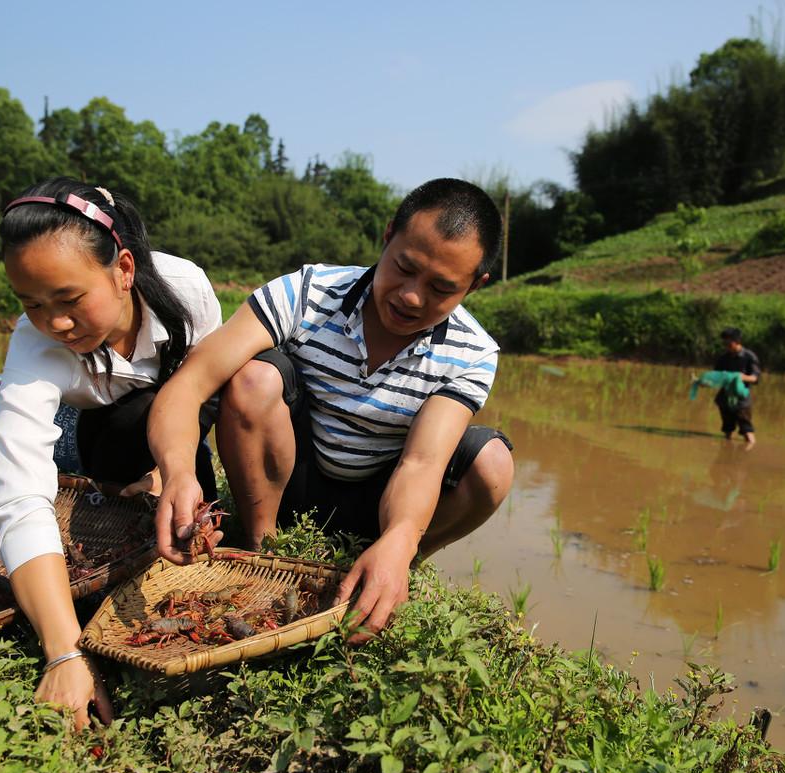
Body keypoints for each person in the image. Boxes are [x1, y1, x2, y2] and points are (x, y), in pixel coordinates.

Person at [148, 178, 515, 643]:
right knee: (254, 377)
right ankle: (262, 546)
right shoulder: (307, 293)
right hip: (293, 480)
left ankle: (394, 557)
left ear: (475, 286)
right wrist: (179, 471)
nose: (411, 297)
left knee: (492, 464)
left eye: (441, 288)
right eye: (403, 268)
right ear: (387, 238)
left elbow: (423, 461)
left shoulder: (473, 352)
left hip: (382, 497)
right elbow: (190, 383)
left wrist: (400, 537)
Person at [0, 178, 222, 729]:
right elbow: (19, 497)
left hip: (180, 420)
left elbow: (206, 387)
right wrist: (65, 653)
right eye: (32, 304)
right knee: (122, 436)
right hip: (98, 433)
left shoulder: (183, 286)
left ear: (123, 268)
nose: (56, 323)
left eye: (70, 300)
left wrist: (172, 469)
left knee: (255, 379)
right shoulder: (35, 345)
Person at [713, 327, 761, 447]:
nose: (726, 346)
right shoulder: (723, 358)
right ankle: (726, 454)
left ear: (737, 341)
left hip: (741, 399)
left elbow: (755, 378)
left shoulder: (749, 357)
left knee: (746, 428)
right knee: (727, 428)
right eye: (724, 343)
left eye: (728, 343)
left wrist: (740, 377)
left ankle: (751, 449)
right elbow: (716, 376)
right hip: (725, 398)